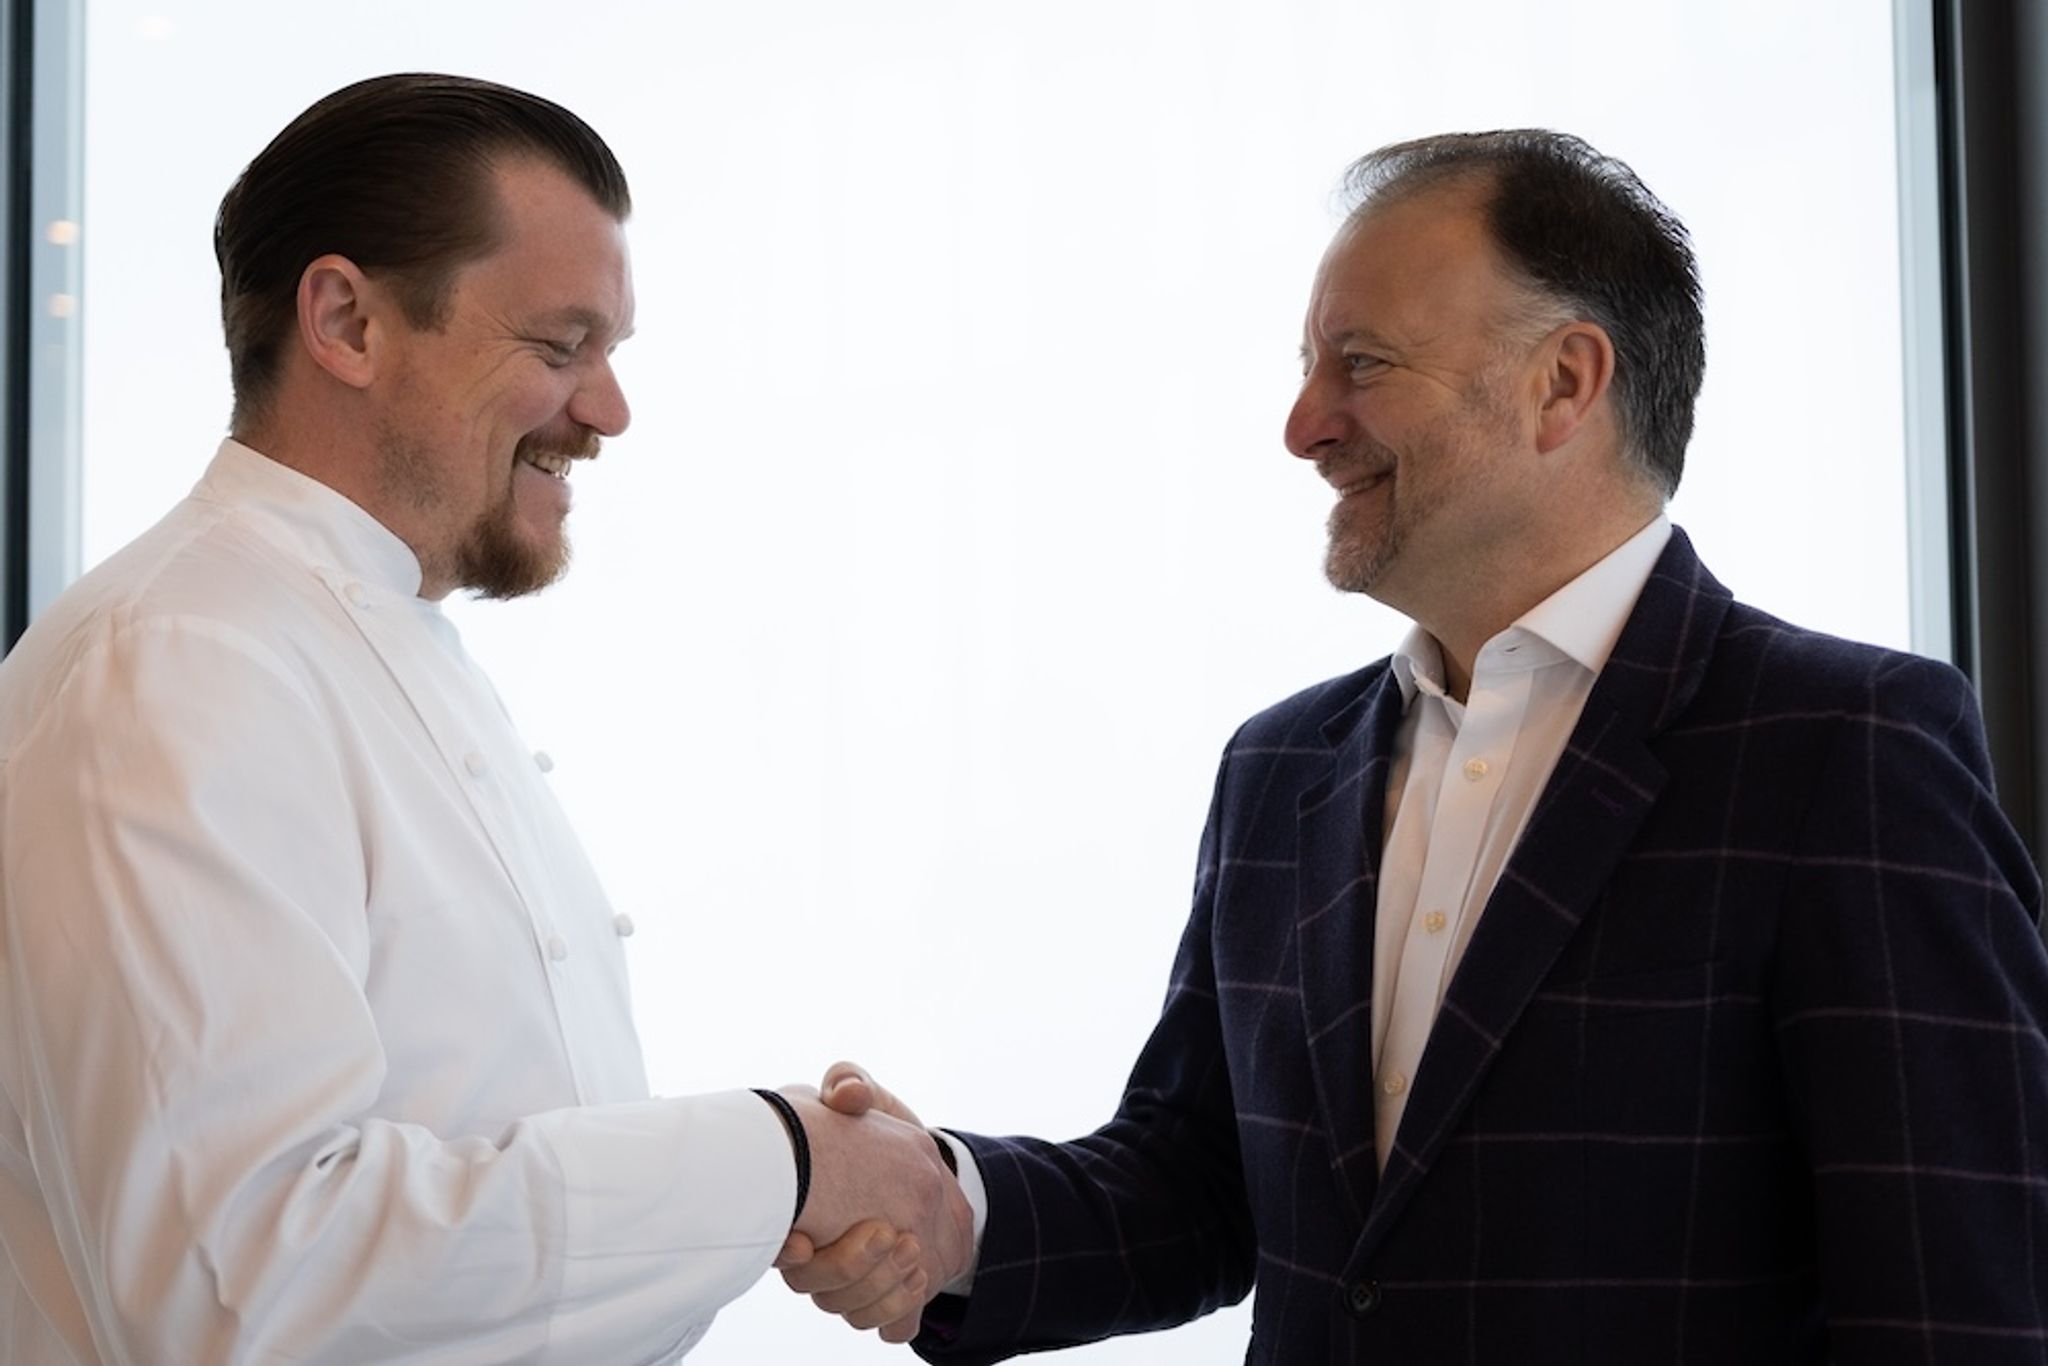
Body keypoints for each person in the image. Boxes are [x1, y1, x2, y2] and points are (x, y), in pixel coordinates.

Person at [780, 130, 2048, 1363]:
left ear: (1564, 382)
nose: (1302, 424)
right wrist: (952, 1209)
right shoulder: (1278, 771)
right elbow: (1200, 1188)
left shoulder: (1844, 750)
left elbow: (1956, 1299)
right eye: (1306, 364)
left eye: (1362, 363)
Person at [0, 73, 966, 1364]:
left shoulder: (352, 641)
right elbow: (249, 1288)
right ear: (346, 320)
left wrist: (789, 1179)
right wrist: (779, 1159)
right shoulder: (180, 664)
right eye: (562, 347)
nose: (610, 410)